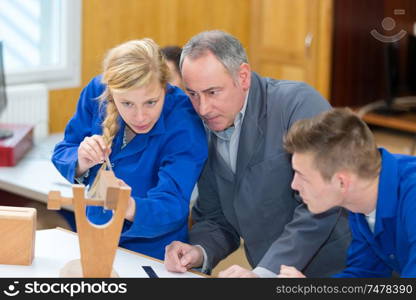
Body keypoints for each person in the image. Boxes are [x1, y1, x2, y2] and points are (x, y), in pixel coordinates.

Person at [164, 30, 351, 277]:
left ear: (243, 77)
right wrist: (198, 251)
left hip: (340, 269)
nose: (203, 108)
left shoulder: (297, 105)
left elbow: (323, 202)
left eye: (213, 92)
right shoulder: (201, 125)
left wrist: (265, 272)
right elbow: (215, 216)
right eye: (193, 94)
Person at [52, 38, 208, 260]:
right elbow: (64, 149)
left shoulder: (184, 121)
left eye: (151, 102)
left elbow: (173, 203)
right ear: (111, 92)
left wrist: (130, 206)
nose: (141, 117)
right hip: (95, 234)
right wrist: (81, 159)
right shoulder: (96, 91)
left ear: (165, 87)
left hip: (153, 251)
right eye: (127, 104)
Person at [279, 108, 416, 278]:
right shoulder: (361, 198)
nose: (294, 185)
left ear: (342, 182)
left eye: (303, 176)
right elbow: (365, 272)